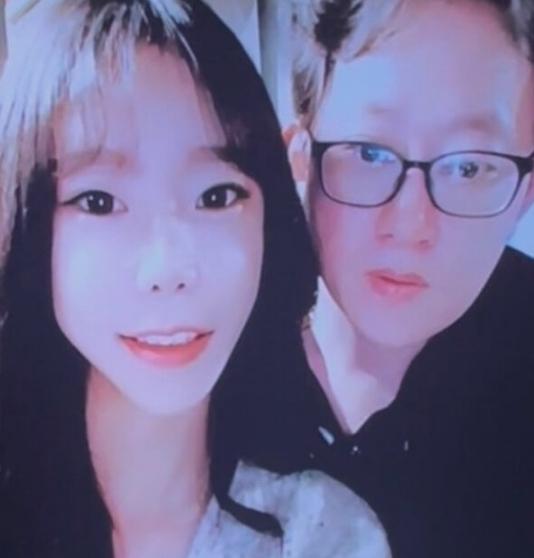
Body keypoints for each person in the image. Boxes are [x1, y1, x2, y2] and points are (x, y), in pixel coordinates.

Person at [0, 1, 392, 557]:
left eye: (216, 195)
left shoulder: (323, 536)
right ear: (25, 221)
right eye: (99, 201)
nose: (168, 268)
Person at [280, 0, 534, 557]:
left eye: (470, 166)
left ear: (525, 193)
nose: (411, 224)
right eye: (371, 153)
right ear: (298, 157)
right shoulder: (205, 354)